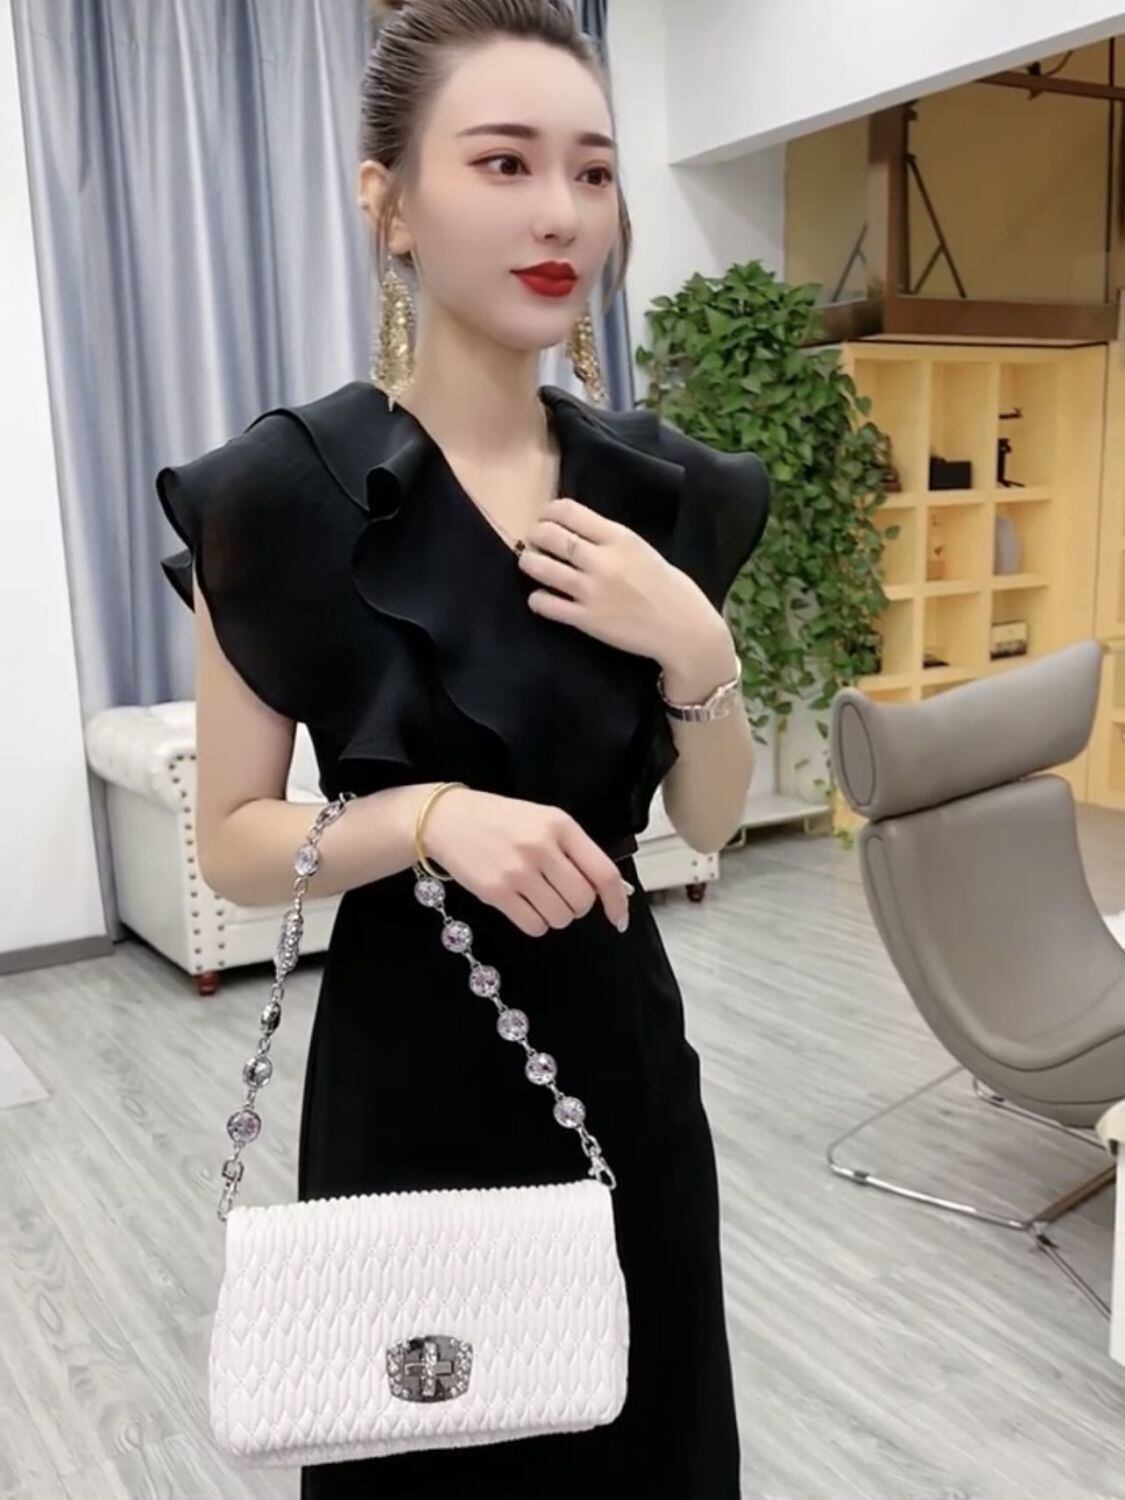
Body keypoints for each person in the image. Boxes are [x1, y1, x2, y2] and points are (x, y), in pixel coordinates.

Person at [155, 0, 770, 1494]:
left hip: (625, 1071)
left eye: (592, 171)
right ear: (390, 204)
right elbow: (234, 845)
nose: (560, 213)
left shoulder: (666, 492)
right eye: (503, 163)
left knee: (649, 1444)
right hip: (408, 1082)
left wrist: (697, 650)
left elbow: (709, 821)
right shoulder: (277, 498)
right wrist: (426, 815)